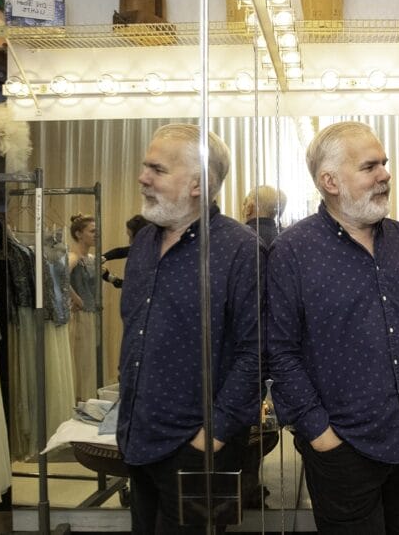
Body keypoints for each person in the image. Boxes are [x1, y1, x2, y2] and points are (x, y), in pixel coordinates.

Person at [266, 121, 399, 534]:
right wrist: (319, 433)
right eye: (370, 166)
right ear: (330, 181)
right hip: (342, 450)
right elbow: (279, 352)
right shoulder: (293, 251)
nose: (385, 174)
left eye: (384, 163)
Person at [117, 123, 262, 533]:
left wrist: (212, 437)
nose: (143, 178)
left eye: (157, 169)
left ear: (198, 184)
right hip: (138, 438)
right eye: (145, 167)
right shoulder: (143, 243)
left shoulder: (240, 249)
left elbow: (256, 353)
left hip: (201, 448)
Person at [68, 212, 98, 402]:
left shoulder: (92, 258)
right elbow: (59, 277)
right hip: (80, 317)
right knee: (81, 359)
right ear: (79, 234)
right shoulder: (74, 257)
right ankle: (79, 399)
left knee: (89, 360)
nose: (97, 234)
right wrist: (76, 298)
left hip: (91, 314)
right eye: (92, 231)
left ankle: (88, 399)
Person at [102, 214, 151, 288]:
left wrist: (115, 280)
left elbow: (138, 287)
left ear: (142, 237)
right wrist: (103, 257)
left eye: (132, 237)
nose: (130, 242)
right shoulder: (142, 250)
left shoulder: (149, 257)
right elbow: (120, 252)